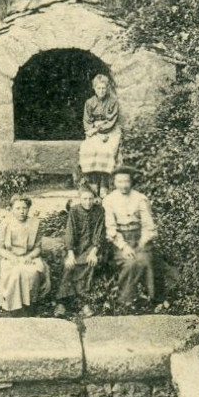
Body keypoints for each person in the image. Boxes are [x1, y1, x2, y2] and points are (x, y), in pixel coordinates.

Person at [102, 166, 173, 311]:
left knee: (145, 260)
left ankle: (154, 300)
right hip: (120, 240)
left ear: (131, 181)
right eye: (120, 181)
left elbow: (148, 225)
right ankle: (125, 300)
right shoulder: (109, 200)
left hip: (139, 238)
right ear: (114, 182)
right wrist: (123, 246)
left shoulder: (140, 198)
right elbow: (110, 228)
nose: (123, 185)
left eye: (126, 181)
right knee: (130, 262)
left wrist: (142, 242)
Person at [55, 182, 106, 318]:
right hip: (76, 248)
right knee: (69, 265)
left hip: (93, 247)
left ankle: (84, 303)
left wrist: (94, 252)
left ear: (95, 198)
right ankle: (62, 302)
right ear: (79, 199)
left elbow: (99, 234)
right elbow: (70, 233)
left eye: (90, 199)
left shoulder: (99, 211)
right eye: (84, 199)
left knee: (88, 264)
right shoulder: (74, 211)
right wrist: (71, 253)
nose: (88, 202)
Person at [0, 195, 51, 314]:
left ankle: (30, 306)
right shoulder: (5, 224)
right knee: (15, 274)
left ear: (28, 209)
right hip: (10, 257)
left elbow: (38, 248)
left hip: (29, 256)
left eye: (24, 208)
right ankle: (14, 309)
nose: (21, 211)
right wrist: (11, 257)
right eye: (18, 208)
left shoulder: (34, 224)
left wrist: (29, 256)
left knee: (32, 273)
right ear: (11, 209)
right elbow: (0, 248)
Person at [79, 74, 122, 196]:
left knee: (107, 151)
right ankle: (93, 181)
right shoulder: (89, 102)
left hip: (110, 130)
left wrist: (98, 130)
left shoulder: (113, 102)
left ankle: (104, 183)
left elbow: (111, 121)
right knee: (88, 149)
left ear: (107, 88)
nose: (101, 91)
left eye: (103, 88)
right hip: (93, 131)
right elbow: (87, 120)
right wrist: (92, 131)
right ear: (94, 88)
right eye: (98, 88)